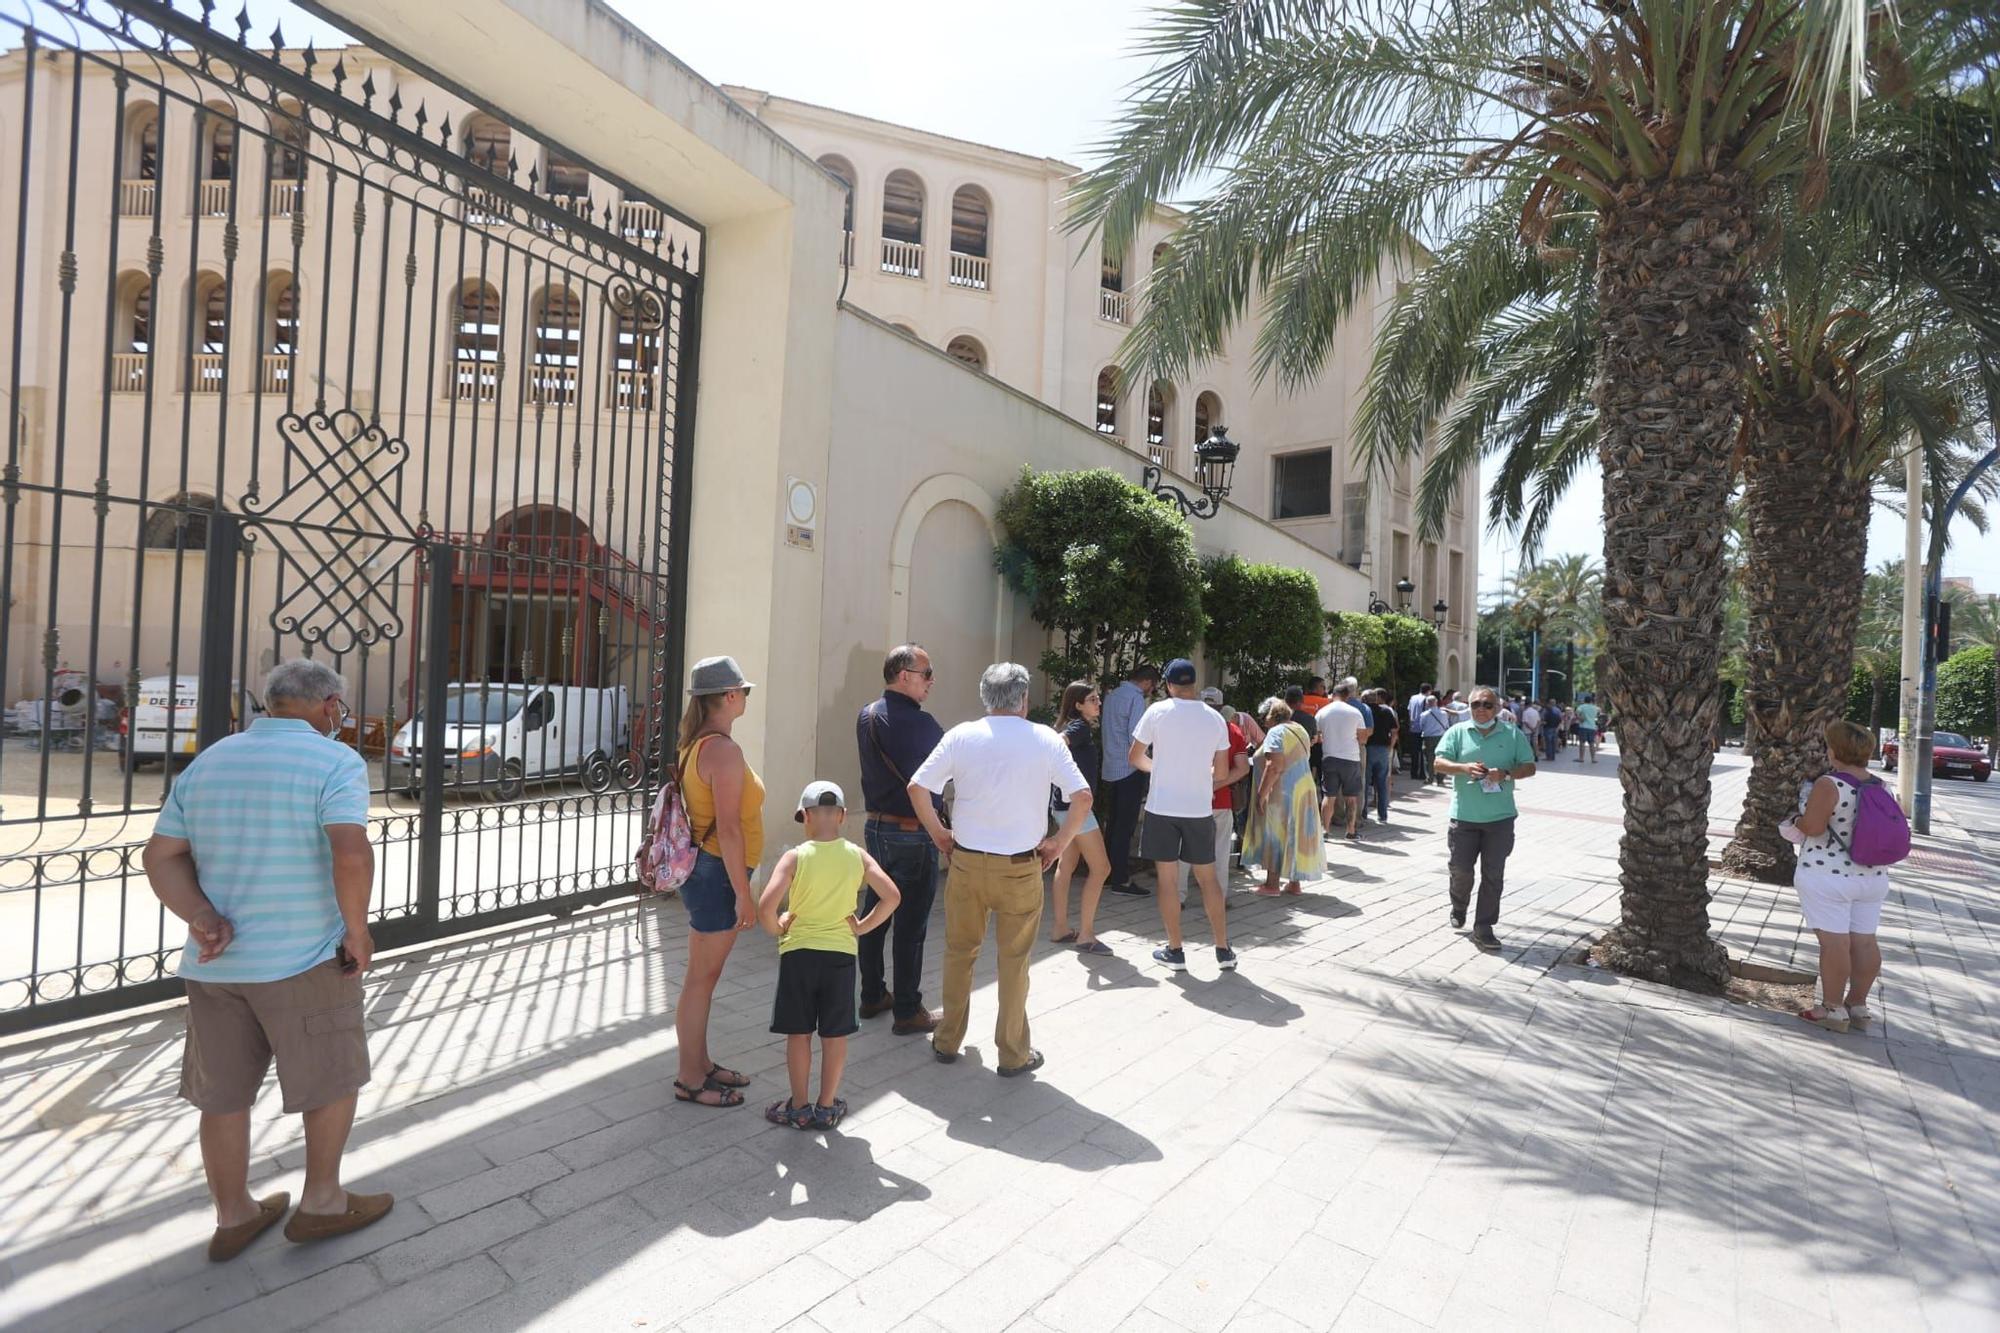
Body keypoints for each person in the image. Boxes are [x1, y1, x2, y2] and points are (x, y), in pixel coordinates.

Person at [141, 659, 390, 1262]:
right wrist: (358, 931)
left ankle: (234, 1216)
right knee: (330, 1078)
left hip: (216, 966)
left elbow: (160, 856)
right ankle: (323, 1203)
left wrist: (202, 917)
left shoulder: (213, 759)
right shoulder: (335, 762)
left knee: (221, 1094)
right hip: (302, 958)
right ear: (330, 706)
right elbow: (350, 853)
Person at [910, 663, 1091, 1076]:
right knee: (1014, 962)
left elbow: (918, 787)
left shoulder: (961, 735)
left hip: (968, 864)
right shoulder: (1045, 739)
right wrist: (1059, 844)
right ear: (1024, 699)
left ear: (984, 697)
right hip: (1020, 867)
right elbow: (1082, 796)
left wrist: (940, 834)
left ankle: (948, 1039)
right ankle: (1012, 1053)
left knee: (959, 953)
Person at [757, 782, 902, 1130]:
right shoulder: (857, 855)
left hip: (798, 955)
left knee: (799, 1033)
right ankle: (825, 1107)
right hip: (839, 957)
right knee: (834, 1036)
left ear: (805, 817)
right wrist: (863, 927)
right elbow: (892, 896)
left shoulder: (795, 857)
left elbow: (766, 905)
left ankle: (799, 1106)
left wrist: (778, 927)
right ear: (840, 816)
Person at [672, 655, 764, 1107]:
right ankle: (690, 1079)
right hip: (718, 877)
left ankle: (701, 1064)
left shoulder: (696, 743)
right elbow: (727, 829)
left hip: (708, 873)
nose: (746, 697)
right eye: (743, 691)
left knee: (700, 978)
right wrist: (745, 896)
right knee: (701, 981)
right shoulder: (723, 751)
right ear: (729, 697)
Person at [854, 644, 946, 1036]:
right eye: (927, 673)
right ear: (904, 675)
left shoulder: (867, 715)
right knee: (911, 924)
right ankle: (908, 1009)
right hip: (912, 832)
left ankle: (872, 994)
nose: (931, 681)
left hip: (876, 829)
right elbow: (938, 778)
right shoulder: (922, 724)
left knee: (875, 913)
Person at [1780, 721, 1893, 1033]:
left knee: (1834, 944)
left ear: (1834, 750)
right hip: (1872, 878)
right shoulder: (1880, 785)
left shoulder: (1829, 785)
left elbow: (1814, 828)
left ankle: (1832, 1009)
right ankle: (1858, 1006)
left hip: (1828, 876)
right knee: (1865, 942)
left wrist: (1795, 820)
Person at [1129, 660, 1234, 972]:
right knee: (1208, 878)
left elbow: (1135, 757)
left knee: (1168, 880)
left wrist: (1160, 770)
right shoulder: (1215, 718)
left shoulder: (1157, 712)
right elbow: (1224, 771)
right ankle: (1223, 949)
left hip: (1162, 808)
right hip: (1199, 808)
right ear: (1195, 684)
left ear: (1168, 684)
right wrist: (1198, 775)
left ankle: (1175, 950)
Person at [1431, 686, 1538, 951]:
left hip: (1500, 819)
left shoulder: (1512, 734)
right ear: (1469, 706)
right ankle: (1459, 904)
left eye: (1487, 705)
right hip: (1464, 817)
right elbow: (1438, 763)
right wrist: (1464, 768)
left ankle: (1484, 926)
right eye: (1476, 704)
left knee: (1493, 875)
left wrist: (1506, 774)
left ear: (1498, 708)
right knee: (1460, 870)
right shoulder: (1457, 732)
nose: (1481, 709)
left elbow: (1530, 766)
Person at [1048, 681, 1112, 953]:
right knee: (1102, 869)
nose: (1098, 703)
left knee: (1067, 865)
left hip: (1063, 807)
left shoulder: (1071, 726)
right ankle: (1086, 935)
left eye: (1098, 699)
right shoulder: (1079, 727)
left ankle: (1060, 928)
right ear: (1078, 705)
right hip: (1076, 808)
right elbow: (1059, 744)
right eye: (1093, 699)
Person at [1171, 687, 1250, 903]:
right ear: (1222, 706)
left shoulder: (1186, 728)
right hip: (1221, 801)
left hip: (1189, 799)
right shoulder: (1233, 731)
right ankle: (1218, 897)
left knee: (1184, 849)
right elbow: (1243, 768)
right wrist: (1216, 786)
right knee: (1221, 852)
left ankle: (1178, 898)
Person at [1244, 698, 1324, 894]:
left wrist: (1262, 794)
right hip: (1303, 789)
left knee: (1276, 833)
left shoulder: (1276, 732)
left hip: (1282, 791)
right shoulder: (1299, 728)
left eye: (1264, 718)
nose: (1263, 722)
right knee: (1296, 832)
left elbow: (1274, 766)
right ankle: (1294, 883)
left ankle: (1272, 884)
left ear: (1271, 716)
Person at [1098, 663, 1158, 896]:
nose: (1150, 691)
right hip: (1130, 768)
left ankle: (1106, 873)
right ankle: (1121, 880)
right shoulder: (1136, 699)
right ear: (1147, 682)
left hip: (1111, 766)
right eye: (1152, 687)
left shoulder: (1112, 696)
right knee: (1125, 826)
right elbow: (1138, 735)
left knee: (1113, 824)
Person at [1315, 681, 1370, 841]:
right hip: (1350, 758)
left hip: (1329, 757)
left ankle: (1325, 830)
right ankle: (1351, 831)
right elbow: (1362, 739)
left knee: (1329, 796)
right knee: (1351, 797)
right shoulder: (1355, 712)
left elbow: (1317, 737)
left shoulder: (1322, 712)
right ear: (1348, 696)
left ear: (1333, 695)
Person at [1363, 688, 1399, 824]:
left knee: (1365, 782)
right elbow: (1395, 730)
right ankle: (1382, 815)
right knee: (1382, 783)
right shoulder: (1386, 711)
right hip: (1383, 749)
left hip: (1368, 749)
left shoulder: (1365, 711)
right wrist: (1390, 745)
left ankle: (1363, 813)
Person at [1285, 684, 1321, 797]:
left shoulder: (1279, 717)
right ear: (1302, 701)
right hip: (1303, 762)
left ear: (1286, 700)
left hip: (1282, 761)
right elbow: (1315, 739)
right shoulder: (1310, 719)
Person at [1416, 692, 1451, 784]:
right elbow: (1447, 725)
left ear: (1427, 703)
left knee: (1429, 759)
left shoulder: (1424, 715)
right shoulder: (1444, 713)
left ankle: (1430, 778)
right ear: (1436, 702)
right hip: (1441, 737)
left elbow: (1421, 726)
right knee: (1441, 758)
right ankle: (1440, 779)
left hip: (1428, 738)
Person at [1405, 683, 1432, 776]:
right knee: (1422, 752)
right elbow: (1427, 714)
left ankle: (1413, 772)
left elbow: (1409, 711)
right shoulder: (1426, 699)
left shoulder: (1413, 698)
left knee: (1414, 751)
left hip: (1412, 727)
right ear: (1429, 691)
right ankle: (1421, 773)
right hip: (1422, 728)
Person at [1574, 693, 1601, 763]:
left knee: (1582, 743)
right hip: (1592, 727)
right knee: (1592, 743)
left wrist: (1580, 717)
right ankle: (1593, 759)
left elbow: (1577, 712)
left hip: (1583, 726)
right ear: (1591, 701)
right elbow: (1599, 712)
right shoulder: (1595, 707)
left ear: (1584, 700)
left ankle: (1581, 758)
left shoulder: (1581, 707)